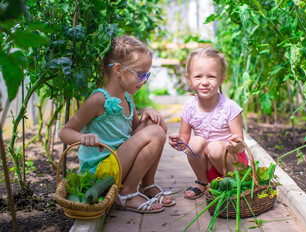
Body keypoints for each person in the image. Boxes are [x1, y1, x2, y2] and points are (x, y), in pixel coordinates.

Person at [59, 35, 175, 214]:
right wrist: (82, 137)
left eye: (147, 75)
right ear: (119, 70)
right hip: (101, 173)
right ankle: (126, 194)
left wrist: (149, 111)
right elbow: (65, 132)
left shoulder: (128, 98)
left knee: (157, 124)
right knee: (156, 133)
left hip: (119, 163)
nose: (144, 80)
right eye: (140, 74)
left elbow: (137, 132)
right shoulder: (98, 100)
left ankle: (147, 184)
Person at [169, 47, 248, 200]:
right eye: (198, 76)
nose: (204, 82)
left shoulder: (230, 107)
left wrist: (234, 144)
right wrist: (178, 141)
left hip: (231, 164)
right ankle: (202, 182)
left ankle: (230, 184)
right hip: (207, 165)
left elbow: (240, 145)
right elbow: (185, 141)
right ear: (189, 79)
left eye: (211, 76)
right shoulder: (189, 108)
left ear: (221, 79)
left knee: (215, 147)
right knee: (195, 141)